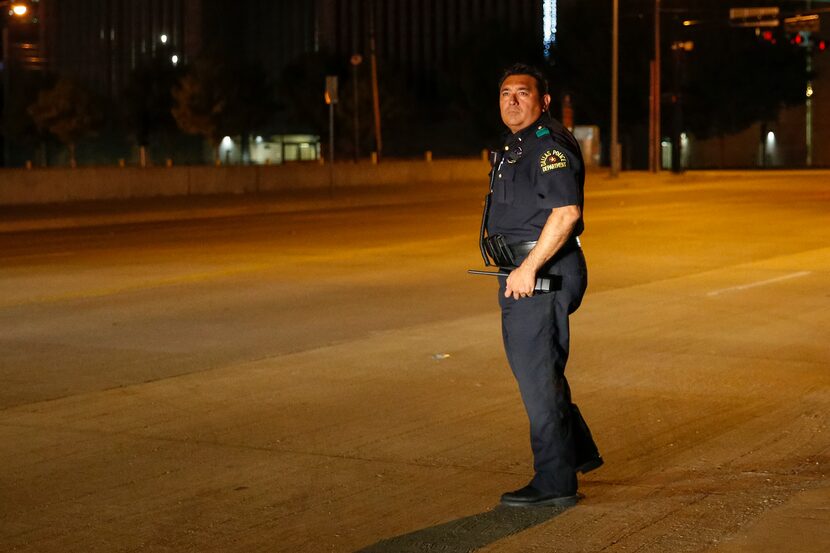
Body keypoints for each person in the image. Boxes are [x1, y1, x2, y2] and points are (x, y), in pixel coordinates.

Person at [480, 63, 602, 508]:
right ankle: (574, 455)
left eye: (523, 93)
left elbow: (566, 212)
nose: (512, 100)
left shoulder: (548, 145)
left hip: (541, 273)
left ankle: (554, 483)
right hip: (525, 272)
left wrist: (529, 267)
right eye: (505, 93)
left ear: (543, 101)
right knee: (539, 372)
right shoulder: (519, 146)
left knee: (537, 378)